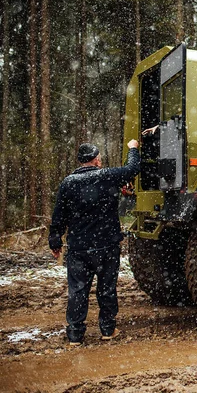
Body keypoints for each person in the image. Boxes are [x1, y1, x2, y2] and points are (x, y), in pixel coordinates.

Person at [48, 140, 140, 346]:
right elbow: (133, 169)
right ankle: (107, 330)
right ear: (96, 159)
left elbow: (59, 216)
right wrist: (133, 148)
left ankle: (75, 335)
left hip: (78, 247)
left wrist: (55, 241)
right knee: (107, 289)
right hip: (106, 245)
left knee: (78, 291)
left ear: (80, 161)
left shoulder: (68, 183)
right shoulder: (107, 176)